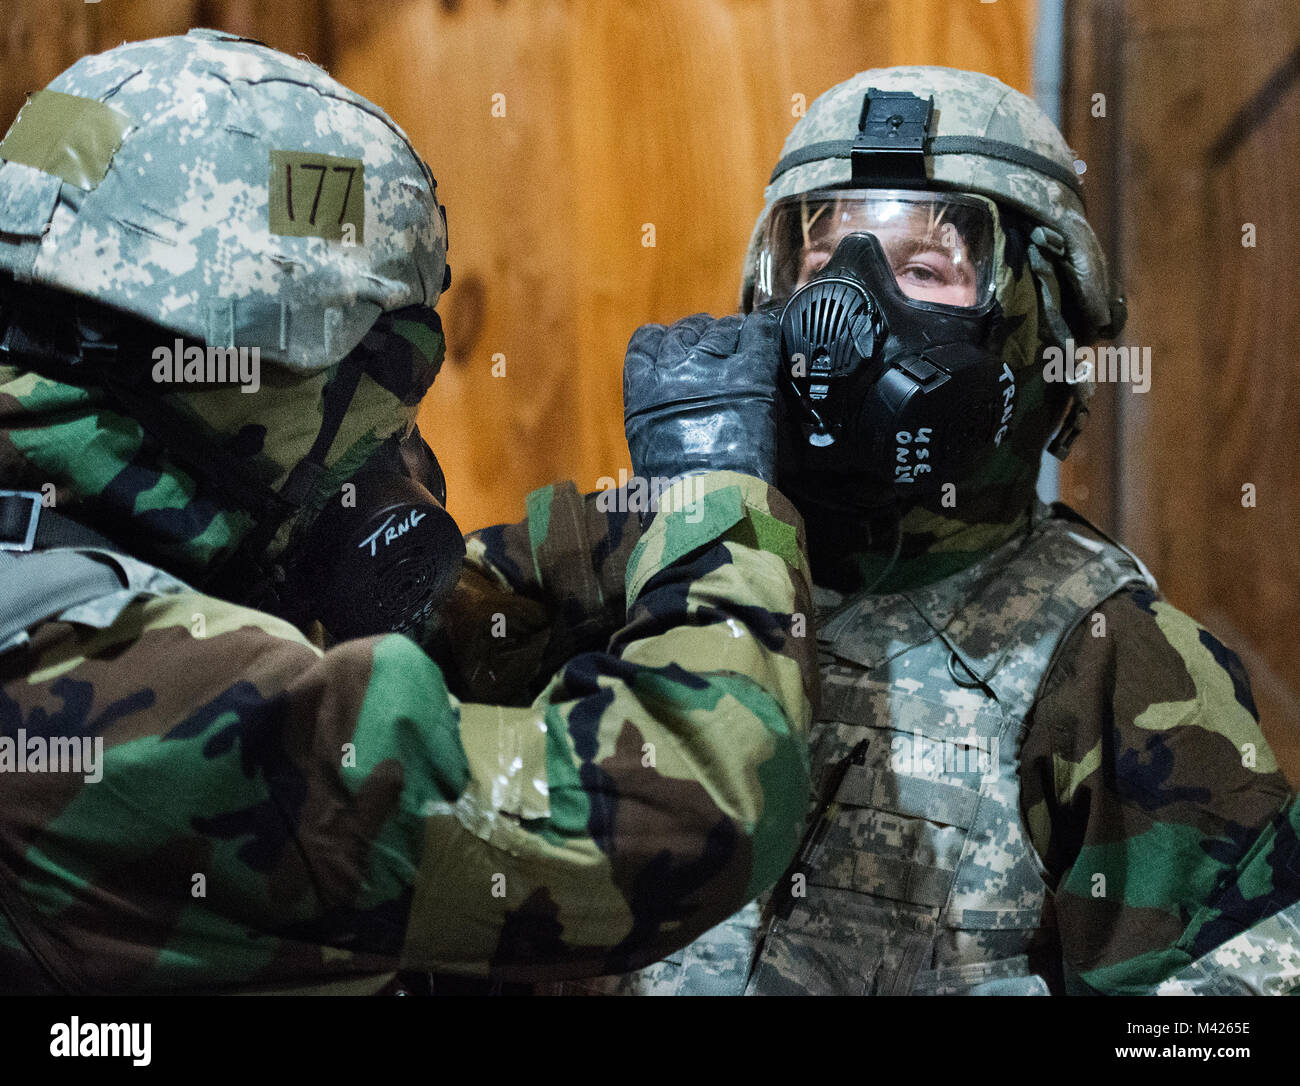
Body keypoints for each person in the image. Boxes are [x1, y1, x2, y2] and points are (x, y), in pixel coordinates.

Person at [437, 67, 1299, 996]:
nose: (843, 314)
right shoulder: (647, 549)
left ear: (1036, 327)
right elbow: (376, 726)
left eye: (925, 269)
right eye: (819, 267)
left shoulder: (1114, 660)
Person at [0, 30, 816, 994]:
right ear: (250, 366)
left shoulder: (70, 525)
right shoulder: (101, 702)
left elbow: (326, 630)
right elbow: (681, 808)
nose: (400, 440)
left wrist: (590, 551)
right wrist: (720, 505)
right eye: (385, 367)